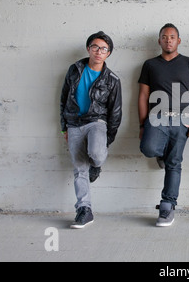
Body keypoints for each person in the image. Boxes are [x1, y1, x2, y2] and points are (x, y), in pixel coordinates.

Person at [138, 23, 189, 227]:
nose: (168, 40)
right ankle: (161, 151)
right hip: (156, 117)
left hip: (182, 119)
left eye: (172, 37)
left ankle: (167, 206)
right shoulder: (150, 65)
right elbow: (143, 95)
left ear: (179, 40)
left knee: (174, 163)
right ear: (159, 41)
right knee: (148, 148)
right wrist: (142, 125)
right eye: (164, 37)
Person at [60, 31, 122, 229]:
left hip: (97, 122)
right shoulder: (74, 69)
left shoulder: (112, 79)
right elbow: (63, 99)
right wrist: (64, 128)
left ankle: (97, 164)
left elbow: (116, 112)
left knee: (96, 153)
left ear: (108, 53)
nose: (98, 51)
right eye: (95, 47)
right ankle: (84, 210)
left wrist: (107, 140)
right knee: (79, 169)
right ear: (88, 48)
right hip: (74, 123)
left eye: (103, 49)